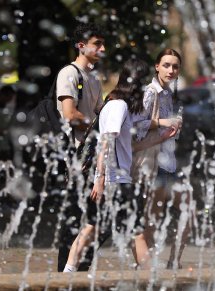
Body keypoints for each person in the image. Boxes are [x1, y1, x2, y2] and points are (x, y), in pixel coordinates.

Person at [63, 58, 177, 272]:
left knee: (92, 228)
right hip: (115, 180)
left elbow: (129, 147)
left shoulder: (118, 105)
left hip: (114, 179)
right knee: (132, 231)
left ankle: (68, 272)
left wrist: (161, 138)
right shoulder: (118, 106)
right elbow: (106, 141)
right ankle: (149, 278)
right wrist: (100, 179)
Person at [133, 48, 191, 270]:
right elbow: (137, 125)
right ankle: (144, 269)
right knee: (152, 223)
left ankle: (173, 263)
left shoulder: (168, 93)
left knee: (188, 212)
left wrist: (173, 128)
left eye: (175, 66)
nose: (171, 70)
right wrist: (165, 123)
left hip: (169, 164)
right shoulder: (151, 92)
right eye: (166, 65)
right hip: (154, 165)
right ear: (157, 66)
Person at [56, 22, 106, 272]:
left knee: (97, 218)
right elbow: (69, 114)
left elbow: (99, 113)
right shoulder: (69, 73)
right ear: (81, 45)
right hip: (74, 158)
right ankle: (63, 277)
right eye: (97, 44)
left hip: (92, 157)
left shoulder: (94, 79)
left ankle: (81, 270)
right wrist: (95, 123)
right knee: (74, 220)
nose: (102, 48)